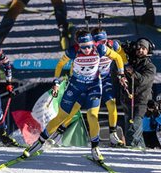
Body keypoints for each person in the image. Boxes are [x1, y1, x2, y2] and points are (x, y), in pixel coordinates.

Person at [19, 33, 125, 162]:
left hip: (94, 86)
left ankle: (95, 148)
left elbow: (118, 57)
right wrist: (56, 82)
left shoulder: (100, 49)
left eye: (89, 46)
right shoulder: (73, 51)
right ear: (78, 45)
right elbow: (59, 65)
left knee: (92, 116)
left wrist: (121, 74)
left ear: (93, 43)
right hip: (76, 87)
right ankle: (39, 143)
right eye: (83, 47)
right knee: (61, 116)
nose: (87, 50)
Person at [93, 29, 127, 146]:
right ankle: (94, 136)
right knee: (92, 110)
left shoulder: (112, 46)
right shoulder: (88, 49)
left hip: (106, 79)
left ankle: (113, 134)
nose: (100, 45)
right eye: (97, 42)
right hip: (92, 82)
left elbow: (121, 57)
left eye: (102, 42)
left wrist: (122, 71)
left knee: (112, 105)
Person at [123, 37, 156, 148]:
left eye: (143, 48)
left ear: (148, 51)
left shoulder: (150, 67)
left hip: (142, 102)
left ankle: (132, 149)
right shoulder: (129, 63)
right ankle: (141, 149)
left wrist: (132, 72)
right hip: (128, 101)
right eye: (138, 49)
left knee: (134, 128)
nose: (140, 51)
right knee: (130, 127)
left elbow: (142, 81)